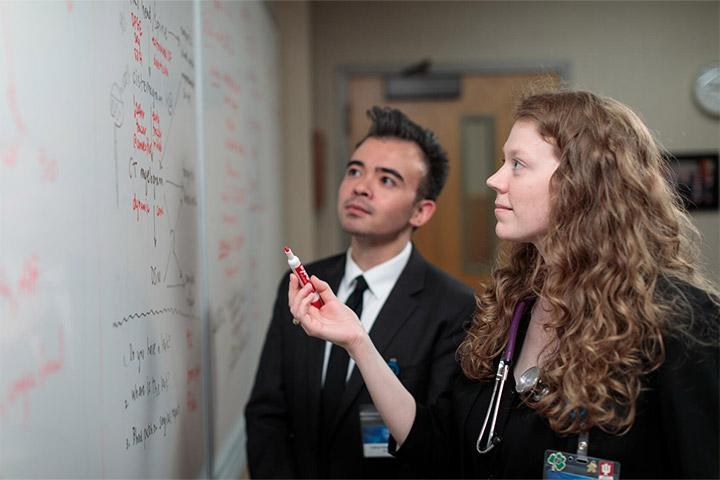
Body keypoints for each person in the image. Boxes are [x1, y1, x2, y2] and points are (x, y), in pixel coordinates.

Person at [290, 90, 720, 478]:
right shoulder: (511, 311)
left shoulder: (677, 323)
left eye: (517, 164)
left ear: (582, 184)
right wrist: (358, 343)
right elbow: (437, 445)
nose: (495, 179)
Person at [245, 106, 476, 478]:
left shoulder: (454, 307)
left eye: (387, 180)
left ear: (421, 211)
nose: (360, 186)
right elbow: (267, 412)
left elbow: (440, 446)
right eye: (354, 170)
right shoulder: (305, 282)